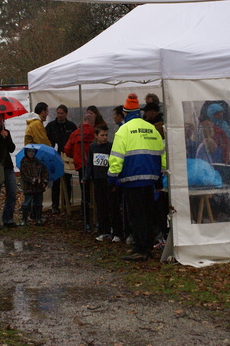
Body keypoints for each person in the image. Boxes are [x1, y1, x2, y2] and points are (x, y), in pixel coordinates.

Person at [108, 93, 165, 262]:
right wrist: (159, 177)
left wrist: (111, 178)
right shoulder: (152, 129)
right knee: (148, 215)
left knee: (136, 216)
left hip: (132, 180)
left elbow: (117, 158)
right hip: (151, 180)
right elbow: (161, 154)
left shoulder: (123, 130)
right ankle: (147, 246)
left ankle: (140, 249)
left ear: (125, 113)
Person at [82, 124, 123, 243]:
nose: (105, 137)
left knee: (113, 207)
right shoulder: (93, 147)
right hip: (98, 180)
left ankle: (117, 232)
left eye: (106, 135)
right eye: (102, 135)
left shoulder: (110, 147)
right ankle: (104, 231)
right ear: (96, 136)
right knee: (101, 207)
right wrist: (86, 177)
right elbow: (90, 164)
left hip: (109, 180)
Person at [64, 114, 95, 231]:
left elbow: (67, 149)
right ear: (92, 122)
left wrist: (75, 156)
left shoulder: (75, 133)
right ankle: (97, 217)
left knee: (84, 192)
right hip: (93, 166)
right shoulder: (94, 132)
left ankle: (85, 217)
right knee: (96, 191)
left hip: (81, 165)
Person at [45, 104, 77, 214]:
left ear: (66, 114)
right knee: (56, 182)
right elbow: (45, 139)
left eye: (62, 113)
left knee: (67, 181)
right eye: (58, 113)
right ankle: (55, 205)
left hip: (67, 158)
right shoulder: (51, 126)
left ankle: (66, 202)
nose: (60, 115)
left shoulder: (71, 126)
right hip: (55, 157)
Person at [19, 147, 49, 226]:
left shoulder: (38, 162)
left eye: (33, 151)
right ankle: (24, 220)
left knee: (38, 203)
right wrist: (34, 180)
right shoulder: (24, 162)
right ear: (26, 152)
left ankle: (38, 218)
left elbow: (44, 172)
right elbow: (24, 175)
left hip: (38, 188)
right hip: (29, 187)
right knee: (26, 204)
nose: (31, 153)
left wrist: (44, 181)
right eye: (29, 151)